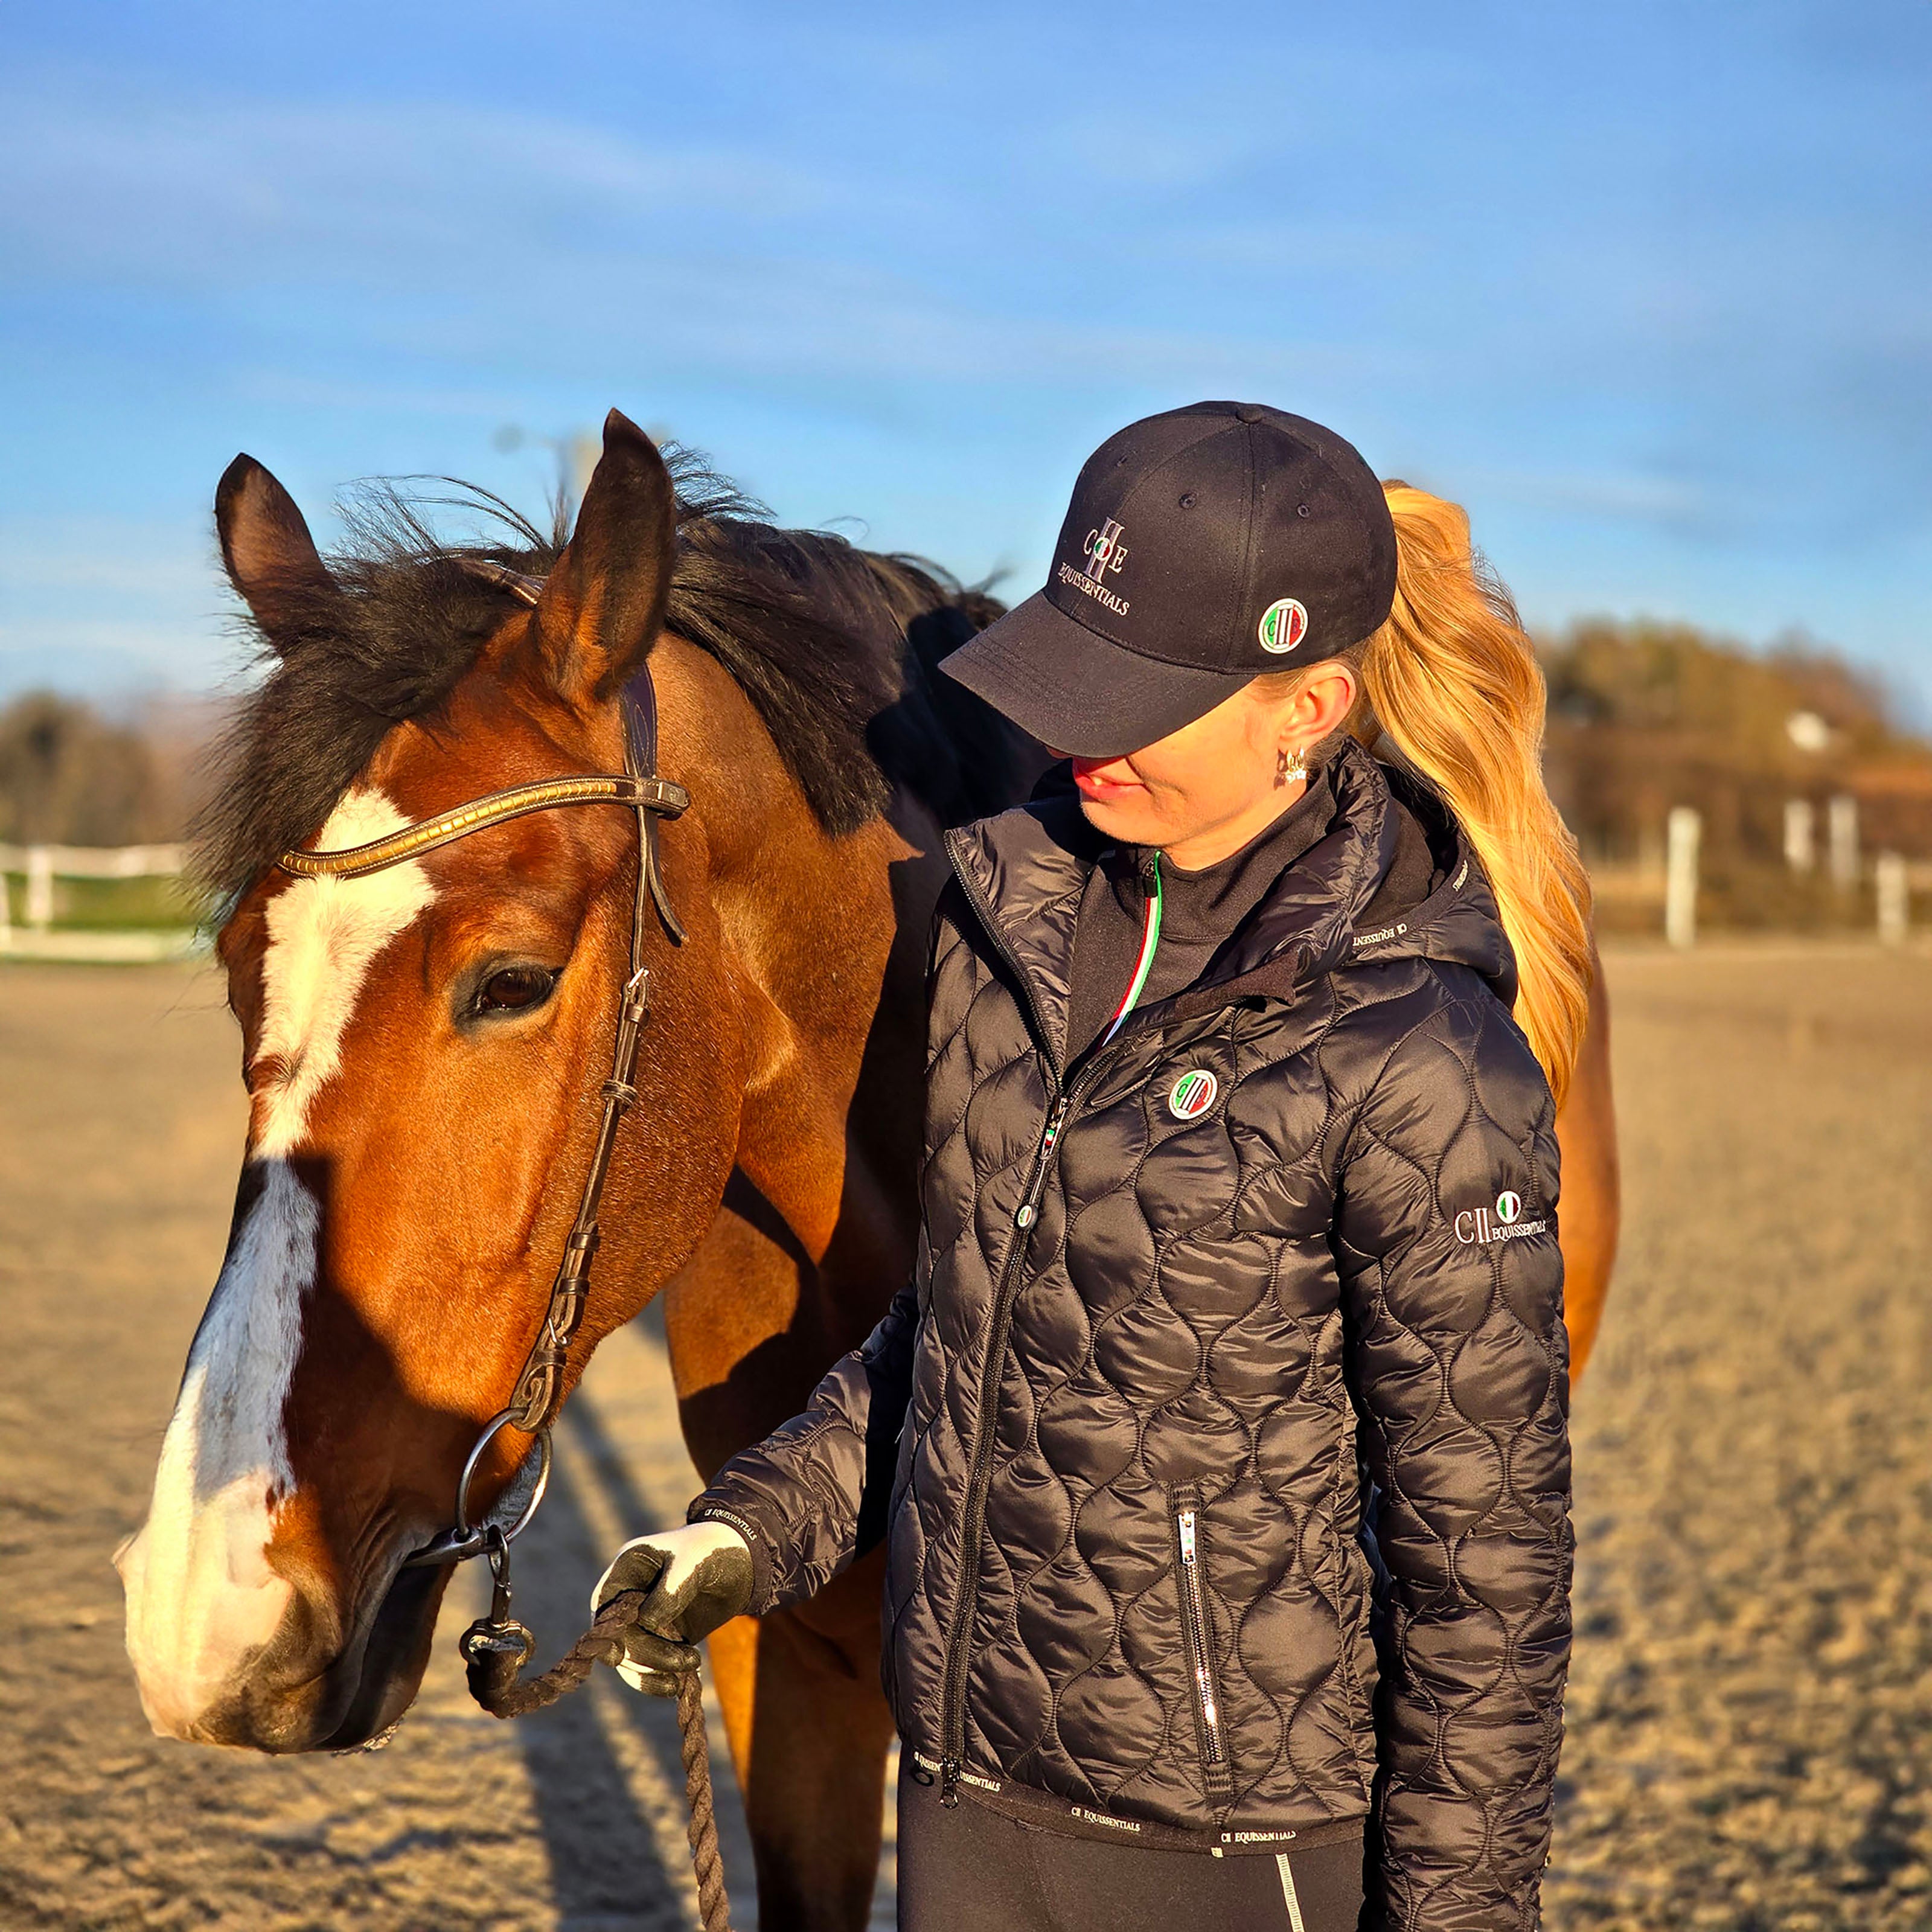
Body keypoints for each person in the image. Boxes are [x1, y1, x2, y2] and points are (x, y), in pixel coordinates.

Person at [595, 403, 1584, 1931]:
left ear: (1304, 708)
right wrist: (748, 1527)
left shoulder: (1422, 1059)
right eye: (1072, 684)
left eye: (1135, 700)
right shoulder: (1010, 943)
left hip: (1237, 1849)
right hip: (970, 1802)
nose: (1078, 739)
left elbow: (1485, 1569)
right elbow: (971, 1327)